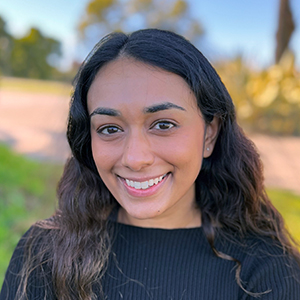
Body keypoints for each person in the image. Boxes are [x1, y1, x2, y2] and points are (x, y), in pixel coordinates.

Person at [1, 28, 300, 300]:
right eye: (109, 128)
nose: (135, 158)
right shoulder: (44, 254)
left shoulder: (265, 273)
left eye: (163, 124)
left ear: (210, 133)